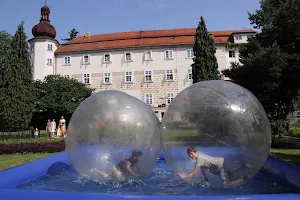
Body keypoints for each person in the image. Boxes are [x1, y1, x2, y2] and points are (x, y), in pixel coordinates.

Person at [178, 146, 251, 188]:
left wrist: (185, 176)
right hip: (221, 161)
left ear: (195, 152)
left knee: (226, 185)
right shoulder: (199, 156)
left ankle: (244, 178)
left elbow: (194, 172)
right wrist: (205, 177)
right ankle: (243, 166)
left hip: (220, 165)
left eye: (192, 154)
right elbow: (202, 167)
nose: (191, 156)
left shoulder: (199, 159)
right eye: (189, 155)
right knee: (229, 172)